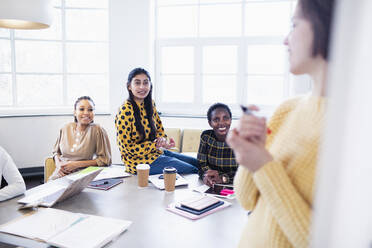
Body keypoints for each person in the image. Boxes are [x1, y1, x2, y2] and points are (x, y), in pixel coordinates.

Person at [226, 0, 334, 247]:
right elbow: (247, 200)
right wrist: (249, 154)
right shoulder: (287, 110)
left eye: (294, 25)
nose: (286, 40)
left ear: (325, 24)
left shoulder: (354, 131)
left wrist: (264, 165)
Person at [115, 67, 198, 175]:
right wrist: (154, 145)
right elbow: (127, 148)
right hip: (138, 163)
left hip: (155, 154)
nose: (142, 87)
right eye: (137, 83)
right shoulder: (125, 110)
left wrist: (163, 141)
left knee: (198, 163)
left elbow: (159, 130)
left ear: (150, 85)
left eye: (145, 83)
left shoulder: (150, 104)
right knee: (192, 169)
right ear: (129, 86)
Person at [50, 96, 112, 180]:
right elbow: (56, 152)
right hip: (61, 173)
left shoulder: (97, 130)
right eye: (81, 109)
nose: (86, 113)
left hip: (83, 175)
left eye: (90, 110)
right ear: (75, 112)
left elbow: (105, 160)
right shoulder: (65, 128)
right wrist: (58, 165)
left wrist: (76, 164)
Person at [197, 103, 238, 187]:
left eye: (225, 118)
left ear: (230, 120)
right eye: (216, 119)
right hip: (212, 184)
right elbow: (201, 165)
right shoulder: (206, 137)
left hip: (235, 186)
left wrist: (223, 178)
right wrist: (205, 176)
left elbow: (246, 173)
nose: (221, 123)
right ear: (210, 123)